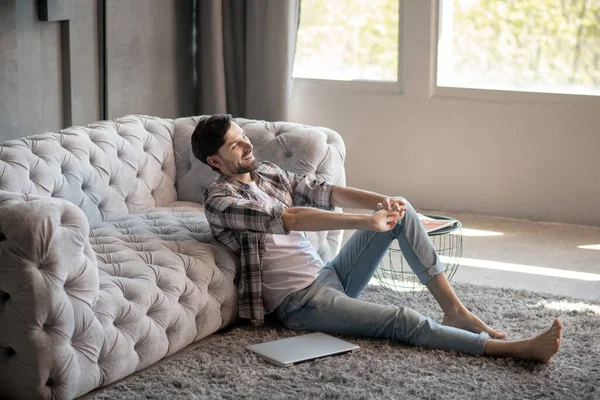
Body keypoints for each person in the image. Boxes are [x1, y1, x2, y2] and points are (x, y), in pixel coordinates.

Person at [191, 114, 562, 363]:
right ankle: (513, 349)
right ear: (214, 160)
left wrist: (386, 203)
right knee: (401, 319)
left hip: (329, 276)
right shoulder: (221, 200)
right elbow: (290, 217)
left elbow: (325, 191)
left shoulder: (267, 174)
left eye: (244, 138)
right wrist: (367, 222)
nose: (248, 146)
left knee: (404, 208)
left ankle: (455, 311)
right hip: (299, 304)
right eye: (236, 145)